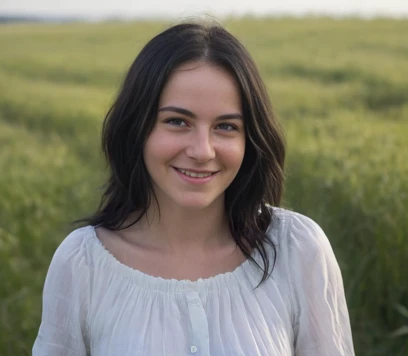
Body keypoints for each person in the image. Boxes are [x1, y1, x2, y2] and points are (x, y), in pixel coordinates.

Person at [33, 22, 355, 355]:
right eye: (177, 121)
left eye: (226, 127)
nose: (203, 151)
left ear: (250, 139)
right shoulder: (82, 264)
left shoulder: (298, 249)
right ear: (137, 128)